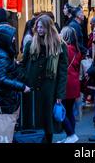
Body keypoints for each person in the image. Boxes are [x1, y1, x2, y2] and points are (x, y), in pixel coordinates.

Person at [21, 15, 68, 143]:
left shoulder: (59, 46)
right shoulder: (31, 44)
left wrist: (60, 93)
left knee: (48, 123)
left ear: (49, 28)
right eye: (38, 27)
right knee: (33, 120)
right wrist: (22, 82)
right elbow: (24, 65)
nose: (39, 29)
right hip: (31, 88)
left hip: (49, 89)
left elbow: (63, 72)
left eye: (42, 27)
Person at [0, 25, 31, 115]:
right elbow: (1, 78)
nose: (14, 39)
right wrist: (22, 87)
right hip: (3, 95)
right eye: (12, 37)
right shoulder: (2, 55)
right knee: (4, 123)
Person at [58, 26, 82, 143]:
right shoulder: (77, 49)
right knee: (69, 111)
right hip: (74, 82)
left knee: (60, 110)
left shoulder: (65, 48)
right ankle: (71, 135)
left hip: (65, 83)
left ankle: (71, 134)